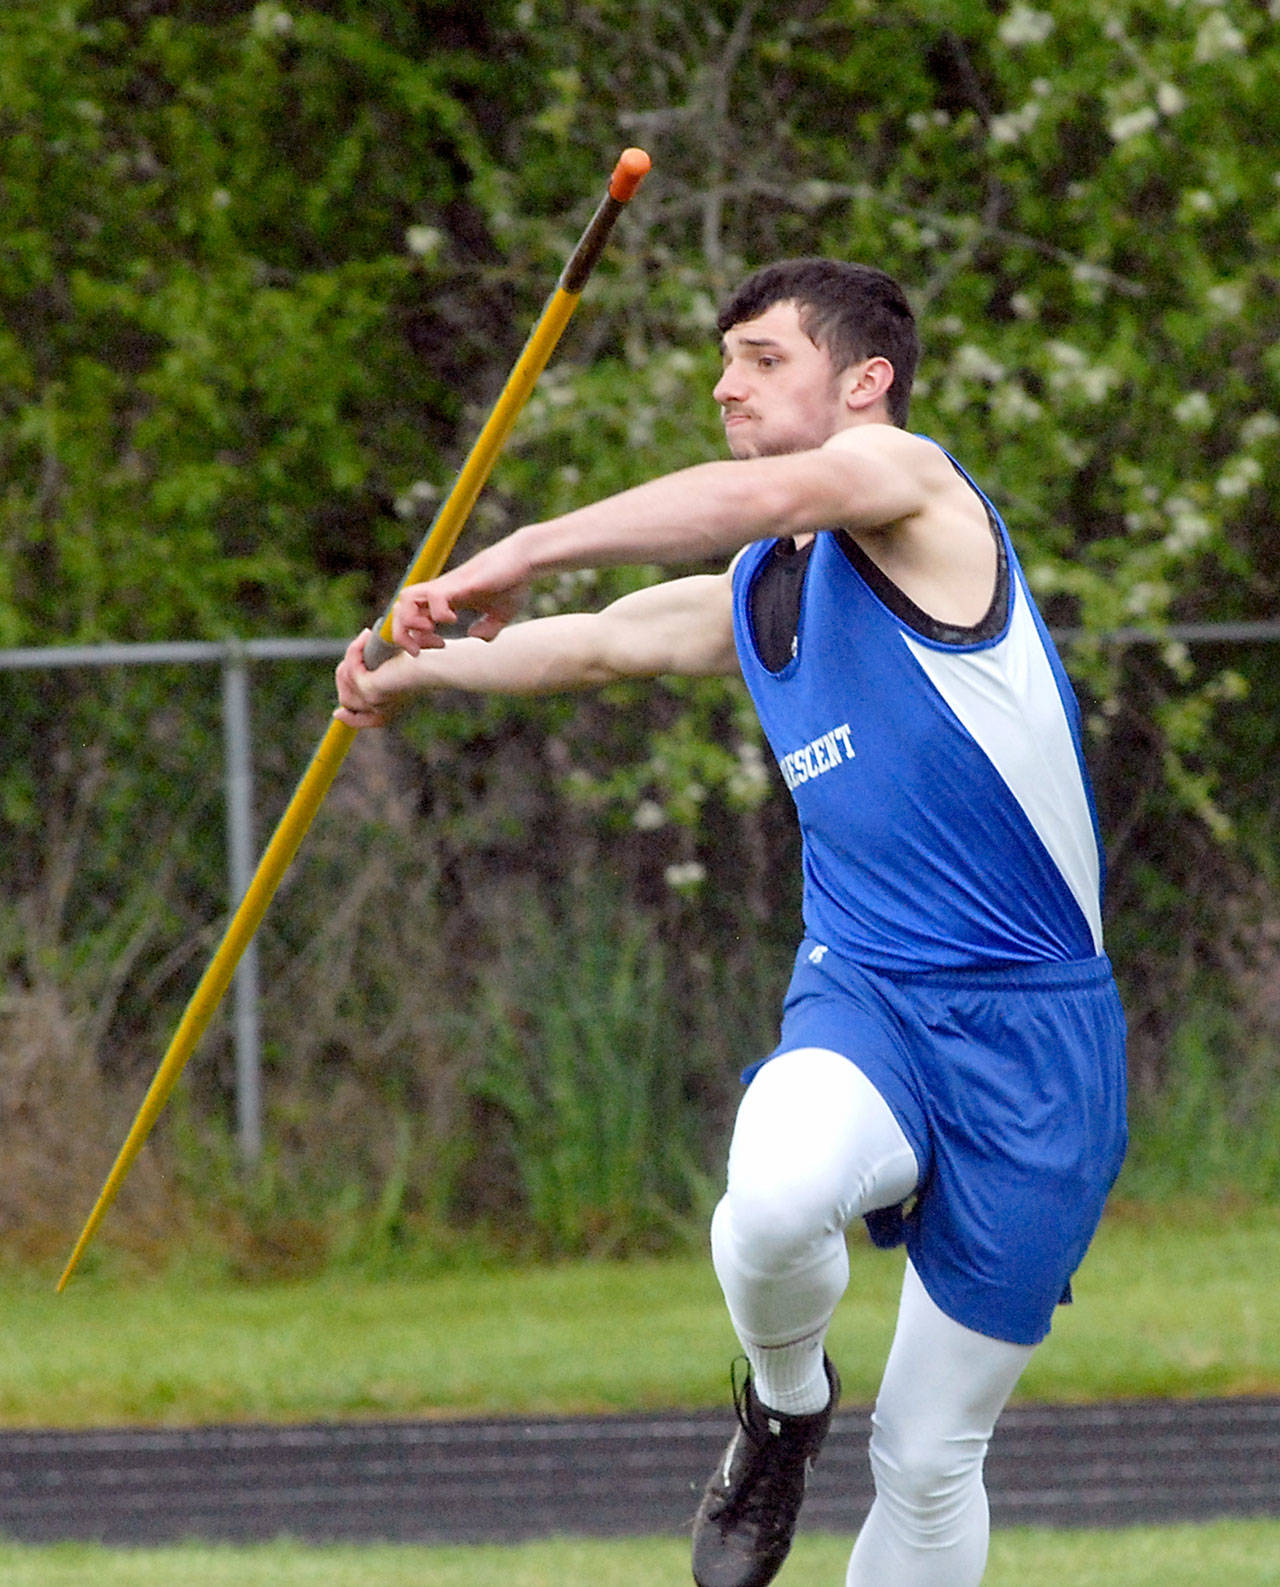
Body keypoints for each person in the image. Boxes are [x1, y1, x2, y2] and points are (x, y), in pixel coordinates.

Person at [334, 258, 1128, 1587]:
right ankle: (781, 1405)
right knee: (769, 1203)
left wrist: (519, 545)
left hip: (1036, 1037)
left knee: (930, 1461)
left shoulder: (917, 485)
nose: (725, 382)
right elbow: (590, 645)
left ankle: (835, 1437)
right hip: (868, 993)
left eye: (763, 356)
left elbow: (759, 495)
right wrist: (408, 660)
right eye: (726, 359)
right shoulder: (765, 588)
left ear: (865, 384)